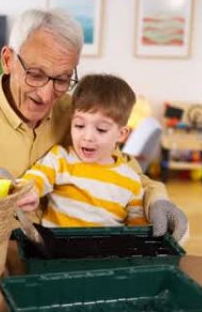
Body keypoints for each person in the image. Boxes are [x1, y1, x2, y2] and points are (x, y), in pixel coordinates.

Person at [0, 8, 187, 241]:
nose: (46, 95)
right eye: (35, 75)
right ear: (7, 60)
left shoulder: (76, 115)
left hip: (62, 255)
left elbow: (127, 174)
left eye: (62, 80)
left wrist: (158, 201)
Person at [18, 74, 148, 228]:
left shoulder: (131, 180)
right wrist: (29, 192)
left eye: (101, 129)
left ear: (121, 134)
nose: (87, 137)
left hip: (105, 251)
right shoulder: (61, 158)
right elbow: (37, 177)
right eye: (79, 126)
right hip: (59, 248)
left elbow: (137, 225)